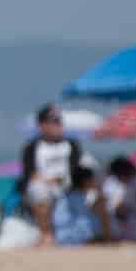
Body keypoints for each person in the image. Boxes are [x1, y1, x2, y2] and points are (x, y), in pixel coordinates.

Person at [19, 104, 87, 247]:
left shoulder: (72, 144)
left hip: (68, 187)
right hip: (43, 186)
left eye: (59, 121)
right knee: (38, 191)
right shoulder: (32, 147)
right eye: (53, 122)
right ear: (42, 125)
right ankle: (46, 234)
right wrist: (48, 180)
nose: (57, 126)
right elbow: (29, 173)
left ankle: (105, 235)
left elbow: (77, 170)